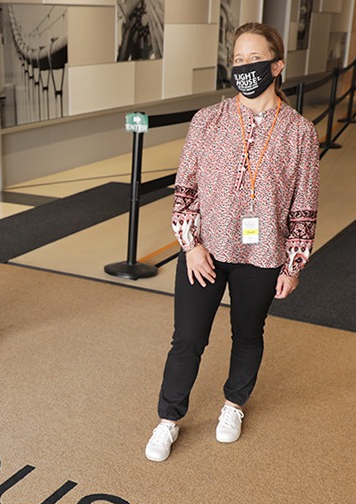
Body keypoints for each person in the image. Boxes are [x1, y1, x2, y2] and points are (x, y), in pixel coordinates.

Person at [145, 22, 319, 462]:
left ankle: (233, 406)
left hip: (261, 254)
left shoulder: (300, 133)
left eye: (254, 58)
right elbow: (184, 190)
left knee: (248, 335)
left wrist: (293, 265)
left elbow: (304, 207)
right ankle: (168, 418)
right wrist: (190, 244)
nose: (245, 66)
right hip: (206, 250)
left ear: (276, 65)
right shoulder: (208, 121)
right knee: (187, 337)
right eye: (238, 59)